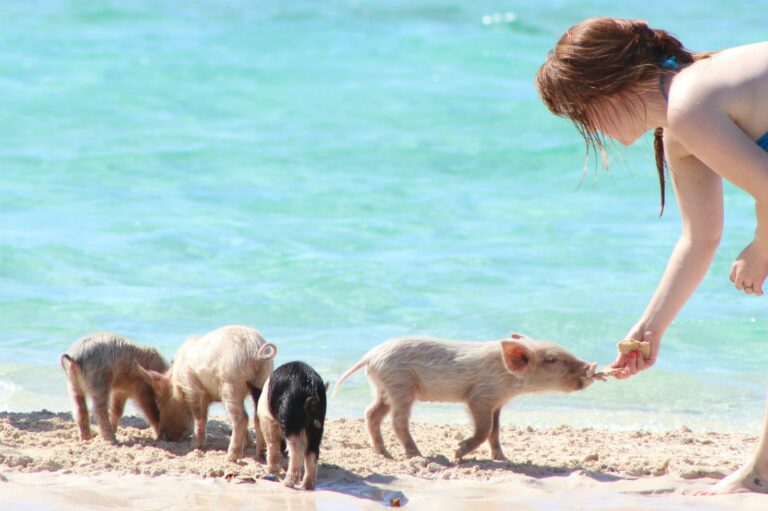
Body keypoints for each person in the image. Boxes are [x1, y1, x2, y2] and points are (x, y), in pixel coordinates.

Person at [534, 17, 768, 495]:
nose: (590, 128)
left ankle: (762, 474)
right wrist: (649, 328)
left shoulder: (690, 103)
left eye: (584, 113)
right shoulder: (680, 122)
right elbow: (699, 238)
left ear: (610, 86)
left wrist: (762, 247)